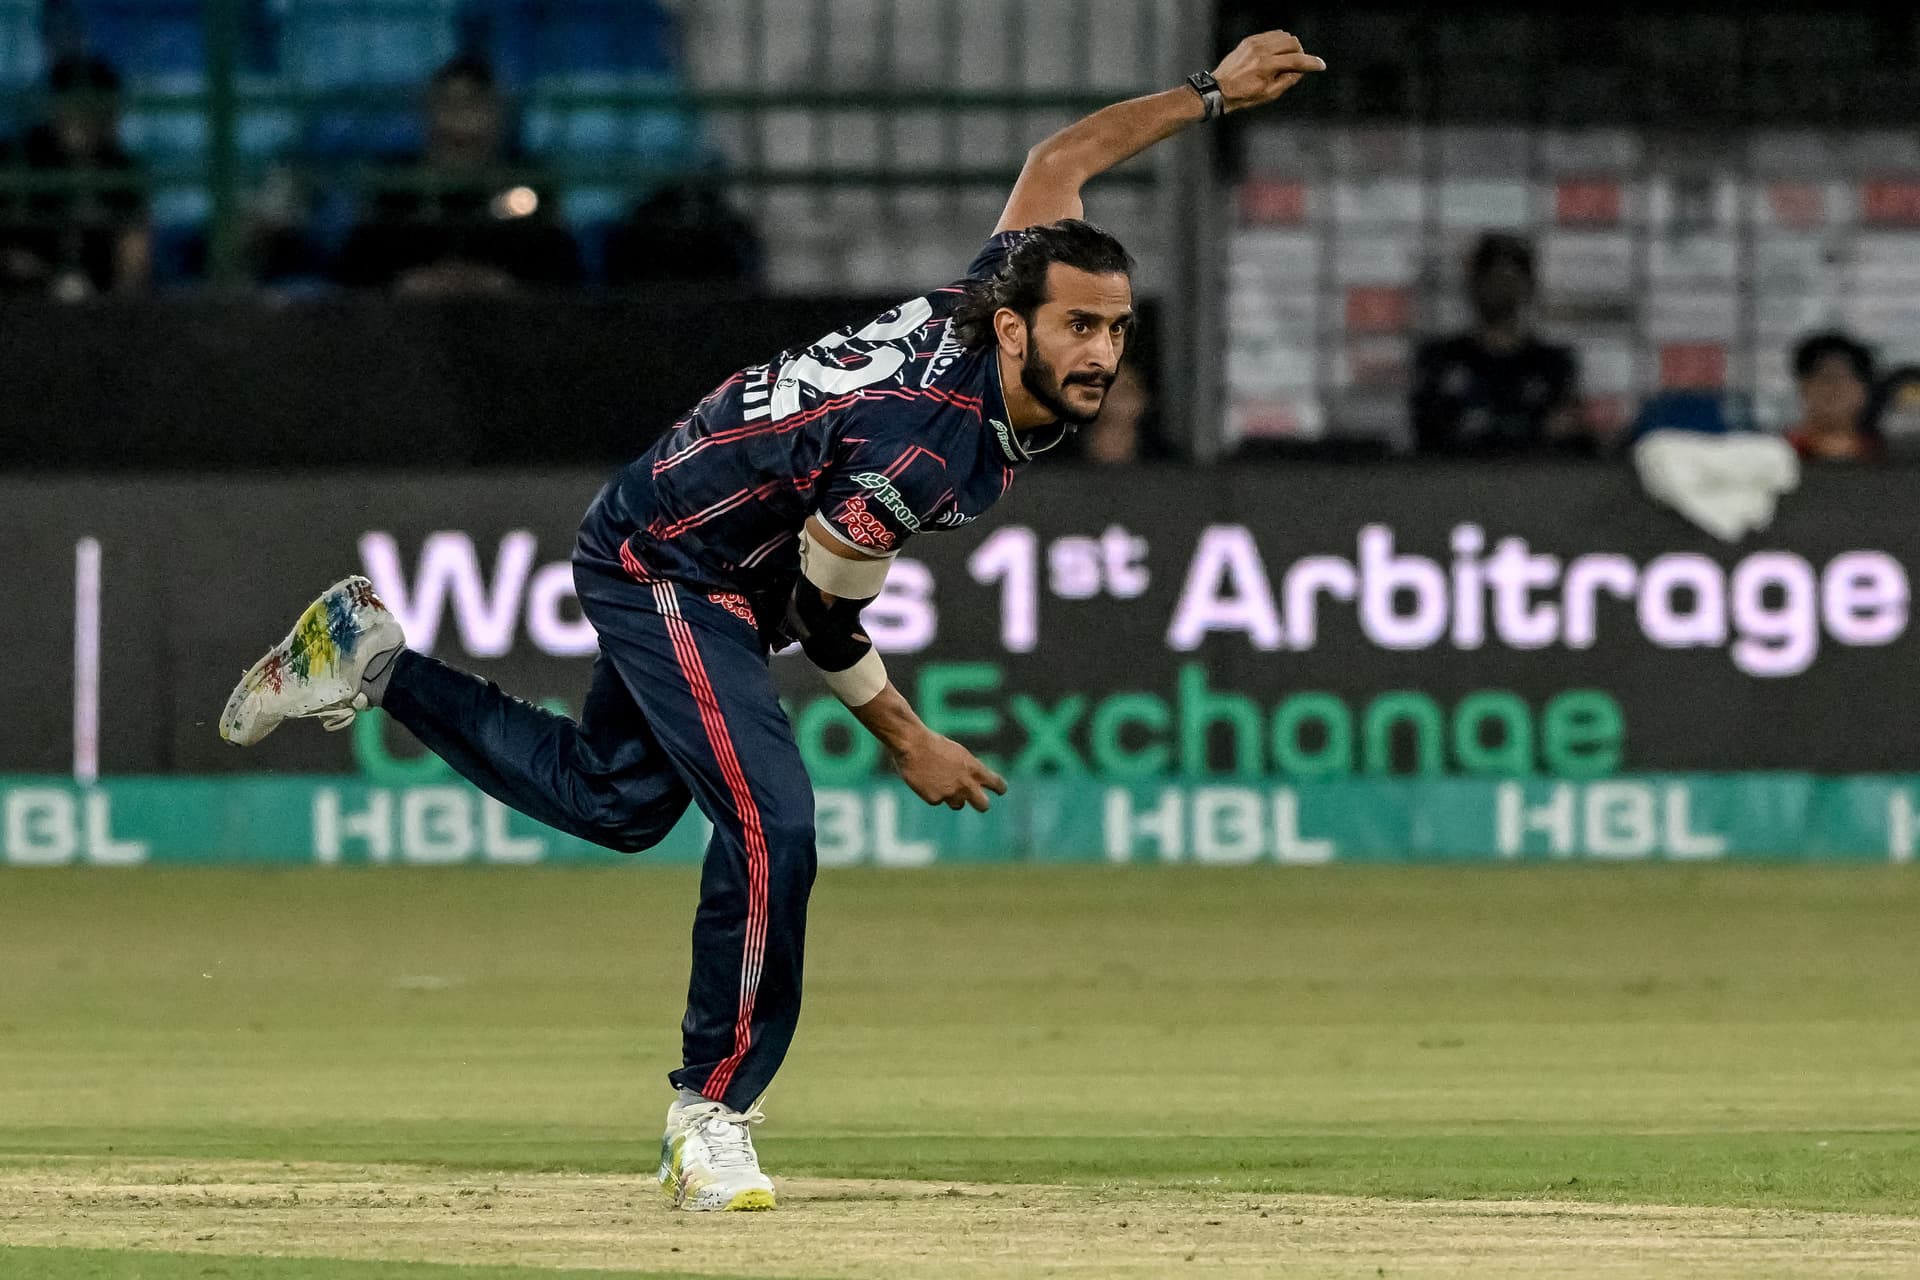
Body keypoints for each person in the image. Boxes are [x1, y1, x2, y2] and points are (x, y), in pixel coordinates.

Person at [217, 29, 1323, 1212]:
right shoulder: (920, 442)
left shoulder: (1002, 287)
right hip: (675, 561)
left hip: (707, 542)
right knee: (773, 819)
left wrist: (1210, 94)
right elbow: (831, 617)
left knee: (617, 797)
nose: (1102, 351)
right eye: (1080, 329)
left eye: (1115, 328)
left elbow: (1064, 155)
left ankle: (373, 656)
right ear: (1014, 330)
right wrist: (909, 739)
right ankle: (710, 1111)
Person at [335, 54, 580, 295]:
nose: (458, 120)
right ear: (426, 112)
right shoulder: (394, 184)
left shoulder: (529, 184)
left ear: (498, 114)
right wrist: (409, 284)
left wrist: (501, 285)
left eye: (473, 104)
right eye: (446, 104)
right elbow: (353, 274)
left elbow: (565, 276)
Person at [1409, 232, 1583, 455]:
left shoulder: (1554, 365)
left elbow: (1565, 439)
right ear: (1473, 283)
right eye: (1491, 277)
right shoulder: (1439, 358)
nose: (1500, 288)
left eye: (1510, 279)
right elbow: (1430, 437)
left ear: (1529, 285)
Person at [0, 54, 150, 300]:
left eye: (97, 111)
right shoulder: (18, 158)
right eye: (74, 108)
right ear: (54, 108)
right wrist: (44, 277)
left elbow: (134, 259)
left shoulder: (121, 169)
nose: (84, 120)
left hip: (98, 304)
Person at [1784, 332, 1878, 461]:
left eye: (1843, 378)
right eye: (1824, 378)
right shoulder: (1782, 452)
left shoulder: (1881, 453)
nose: (1834, 388)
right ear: (1803, 386)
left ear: (1863, 389)